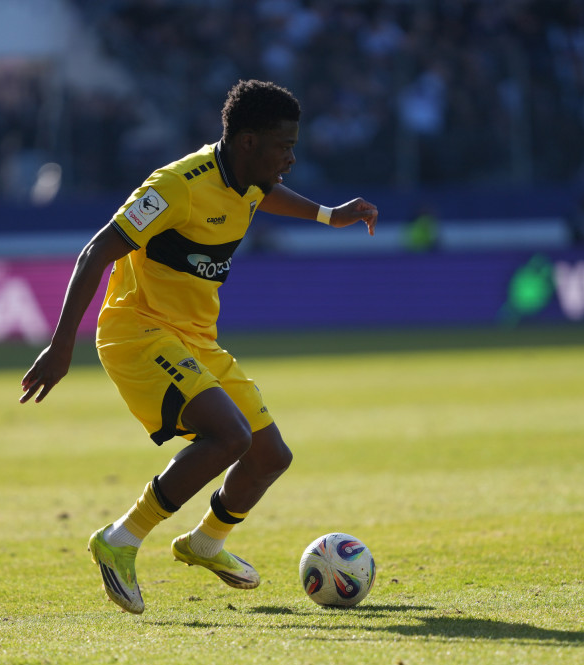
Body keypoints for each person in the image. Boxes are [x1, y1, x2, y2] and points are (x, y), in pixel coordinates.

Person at [19, 80, 378, 614]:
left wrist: (329, 215)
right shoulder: (176, 187)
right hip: (138, 331)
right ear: (248, 142)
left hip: (195, 338)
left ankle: (205, 543)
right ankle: (119, 539)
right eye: (283, 146)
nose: (291, 158)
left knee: (270, 456)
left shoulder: (249, 177)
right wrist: (60, 344)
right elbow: (96, 251)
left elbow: (262, 193)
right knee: (229, 436)